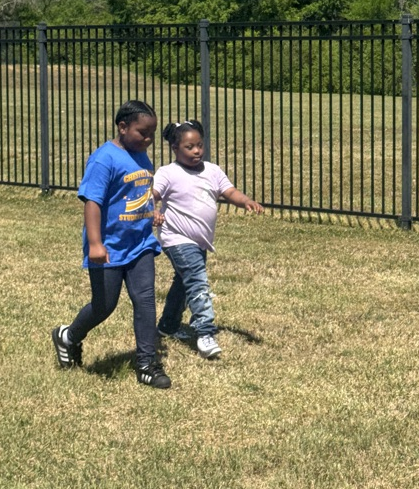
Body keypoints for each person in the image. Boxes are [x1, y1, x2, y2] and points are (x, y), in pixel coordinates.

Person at [51, 100, 171, 390]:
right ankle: (68, 336)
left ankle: (146, 364)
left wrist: (151, 210)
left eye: (152, 134)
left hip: (140, 244)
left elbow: (139, 191)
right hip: (109, 247)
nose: (148, 139)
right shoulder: (104, 159)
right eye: (143, 132)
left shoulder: (141, 155)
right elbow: (93, 201)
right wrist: (95, 243)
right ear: (122, 127)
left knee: (144, 301)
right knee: (104, 305)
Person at [154, 119, 263, 359]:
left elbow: (229, 191)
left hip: (199, 241)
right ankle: (204, 332)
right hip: (176, 238)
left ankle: (167, 326)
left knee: (184, 282)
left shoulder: (212, 170)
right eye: (189, 147)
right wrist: (153, 211)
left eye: (200, 146)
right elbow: (152, 194)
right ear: (175, 148)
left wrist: (245, 201)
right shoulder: (168, 173)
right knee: (197, 282)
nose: (197, 151)